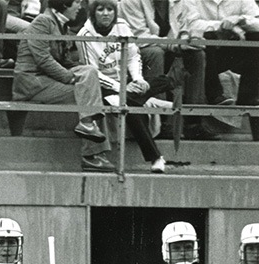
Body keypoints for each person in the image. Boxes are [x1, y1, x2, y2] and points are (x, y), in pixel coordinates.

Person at [12, 0, 115, 172]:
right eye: (76, 2)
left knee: (90, 72)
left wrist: (81, 71)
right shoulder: (42, 21)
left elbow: (64, 60)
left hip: (48, 80)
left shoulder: (62, 25)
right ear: (64, 4)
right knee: (89, 95)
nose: (80, 7)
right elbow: (43, 59)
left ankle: (88, 127)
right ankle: (91, 155)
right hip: (33, 83)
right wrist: (69, 77)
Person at [77, 0, 172, 173]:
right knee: (130, 104)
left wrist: (137, 79)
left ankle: (148, 95)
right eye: (100, 10)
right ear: (93, 13)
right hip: (103, 86)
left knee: (157, 83)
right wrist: (121, 88)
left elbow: (133, 56)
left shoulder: (122, 25)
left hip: (125, 82)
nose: (106, 13)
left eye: (109, 10)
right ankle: (155, 157)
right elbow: (92, 72)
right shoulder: (84, 35)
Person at [118, 0, 220, 140]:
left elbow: (189, 23)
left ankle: (193, 122)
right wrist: (175, 45)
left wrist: (187, 38)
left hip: (168, 46)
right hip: (134, 51)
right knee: (156, 53)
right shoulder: (130, 2)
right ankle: (160, 122)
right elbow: (139, 36)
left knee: (197, 54)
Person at [189, 0, 259, 141]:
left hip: (231, 49)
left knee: (256, 38)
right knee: (207, 36)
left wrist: (240, 21)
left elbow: (257, 21)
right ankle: (215, 94)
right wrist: (221, 26)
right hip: (204, 50)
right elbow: (191, 24)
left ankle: (248, 99)